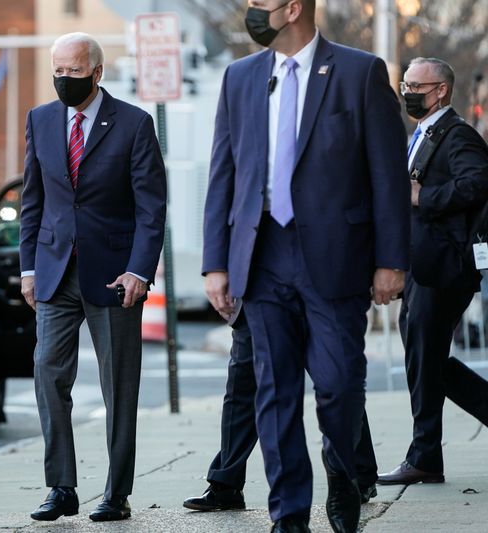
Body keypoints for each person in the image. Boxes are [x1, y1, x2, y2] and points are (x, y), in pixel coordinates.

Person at [202, 1, 410, 531]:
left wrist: (391, 260)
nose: (251, 11)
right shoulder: (240, 77)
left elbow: (387, 175)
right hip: (261, 254)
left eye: (258, 4)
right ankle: (289, 514)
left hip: (335, 256)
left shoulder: (360, 72)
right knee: (275, 392)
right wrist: (214, 264)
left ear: (292, 8)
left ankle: (342, 473)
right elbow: (223, 172)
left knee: (340, 382)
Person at [19, 32, 167, 522]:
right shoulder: (40, 120)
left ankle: (116, 493)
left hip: (114, 276)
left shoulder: (134, 124)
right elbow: (33, 202)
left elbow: (151, 208)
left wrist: (140, 271)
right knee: (47, 373)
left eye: (73, 71)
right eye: (57, 71)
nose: (64, 79)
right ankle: (61, 486)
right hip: (55, 271)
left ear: (96, 72)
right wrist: (28, 268)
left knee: (118, 387)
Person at [377, 58, 488, 486]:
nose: (408, 92)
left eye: (416, 86)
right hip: (422, 265)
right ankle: (426, 455)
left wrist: (426, 195)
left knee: (425, 360)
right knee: (425, 361)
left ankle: (424, 456)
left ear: (441, 90)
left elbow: (478, 182)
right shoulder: (421, 134)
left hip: (444, 266)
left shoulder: (457, 135)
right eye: (405, 84)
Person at [182, 306, 379, 513]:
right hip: (258, 290)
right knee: (242, 381)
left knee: (333, 383)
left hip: (316, 289)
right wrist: (220, 274)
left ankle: (358, 475)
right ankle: (226, 483)